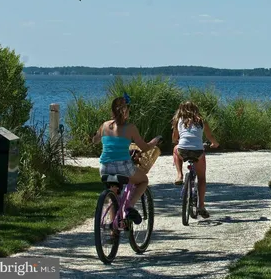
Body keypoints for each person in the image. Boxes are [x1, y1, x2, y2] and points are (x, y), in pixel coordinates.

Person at [92, 94, 161, 224]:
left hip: (105, 167)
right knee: (143, 181)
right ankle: (129, 207)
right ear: (126, 112)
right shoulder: (131, 128)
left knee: (114, 193)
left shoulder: (105, 125)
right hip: (123, 167)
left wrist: (96, 136)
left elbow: (95, 140)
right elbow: (145, 148)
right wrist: (154, 141)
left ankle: (114, 230)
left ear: (112, 111)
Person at [171, 101, 219, 219]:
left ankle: (179, 175)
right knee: (201, 178)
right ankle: (201, 206)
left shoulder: (178, 120)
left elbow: (174, 138)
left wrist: (177, 142)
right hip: (198, 151)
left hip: (183, 150)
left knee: (175, 149)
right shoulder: (202, 120)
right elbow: (210, 137)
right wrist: (215, 144)